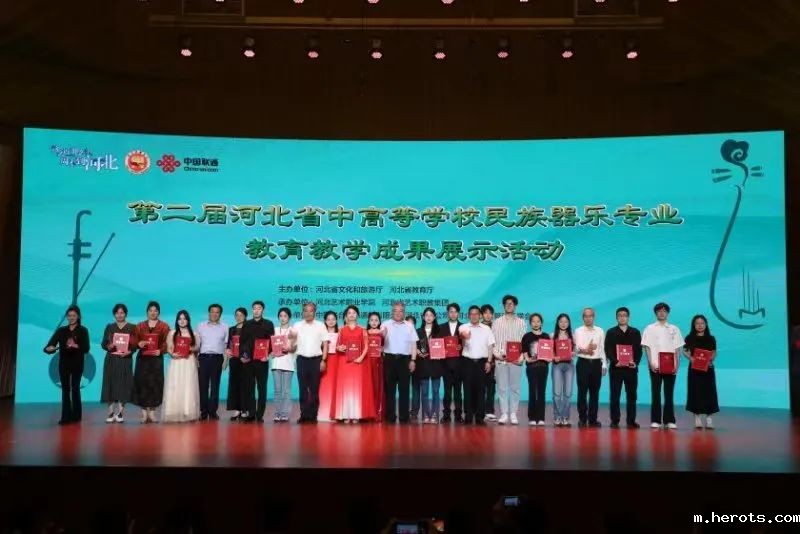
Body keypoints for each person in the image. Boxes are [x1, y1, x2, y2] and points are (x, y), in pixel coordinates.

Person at [43, 305, 90, 425]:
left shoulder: (83, 330)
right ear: (66, 317)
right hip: (64, 363)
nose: (71, 318)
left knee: (75, 388)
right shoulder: (61, 330)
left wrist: (76, 346)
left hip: (77, 363)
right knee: (65, 389)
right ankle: (65, 416)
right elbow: (50, 345)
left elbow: (86, 348)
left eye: (74, 315)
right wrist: (49, 349)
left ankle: (76, 416)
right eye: (69, 316)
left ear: (78, 317)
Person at [641, 302, 684, 429]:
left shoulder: (674, 329)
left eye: (664, 311)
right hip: (655, 365)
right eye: (659, 311)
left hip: (670, 366)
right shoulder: (649, 328)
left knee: (669, 394)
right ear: (656, 313)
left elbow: (678, 349)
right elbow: (647, 347)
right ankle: (656, 420)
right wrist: (650, 363)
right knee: (656, 393)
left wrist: (677, 364)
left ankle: (669, 420)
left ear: (667, 313)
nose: (662, 313)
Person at [332, 305, 375, 422]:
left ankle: (356, 414)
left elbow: (366, 346)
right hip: (344, 362)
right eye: (349, 313)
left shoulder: (362, 330)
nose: (352, 315)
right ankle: (345, 415)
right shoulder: (341, 330)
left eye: (354, 313)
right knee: (345, 387)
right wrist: (340, 348)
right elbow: (337, 345)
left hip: (358, 362)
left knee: (357, 388)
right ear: (346, 316)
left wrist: (361, 358)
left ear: (357, 315)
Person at [289, 302, 328, 423]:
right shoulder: (297, 325)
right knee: (303, 389)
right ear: (302, 312)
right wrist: (292, 339)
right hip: (301, 360)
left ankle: (313, 415)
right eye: (305, 310)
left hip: (316, 360)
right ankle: (304, 414)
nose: (308, 313)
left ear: (314, 312)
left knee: (314, 389)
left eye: (311, 311)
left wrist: (324, 360)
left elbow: (325, 344)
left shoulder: (321, 325)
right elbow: (293, 346)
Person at [604, 307, 642, 429]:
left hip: (631, 369)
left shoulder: (635, 332)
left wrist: (635, 362)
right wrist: (615, 361)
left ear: (628, 317)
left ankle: (631, 420)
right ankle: (615, 420)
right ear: (616, 317)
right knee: (615, 395)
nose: (622, 317)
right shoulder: (611, 332)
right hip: (616, 369)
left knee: (632, 395)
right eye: (620, 315)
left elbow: (639, 350)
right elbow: (607, 349)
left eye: (624, 315)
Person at [132, 301, 170, 424]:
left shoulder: (164, 326)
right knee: (142, 384)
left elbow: (168, 342)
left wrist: (161, 350)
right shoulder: (139, 326)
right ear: (147, 312)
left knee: (155, 384)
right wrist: (138, 343)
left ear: (159, 312)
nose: (153, 313)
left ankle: (152, 413)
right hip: (142, 359)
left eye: (155, 310)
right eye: (150, 310)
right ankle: (144, 413)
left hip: (156, 359)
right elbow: (133, 340)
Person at [381, 301, 419, 424]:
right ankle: (390, 416)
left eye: (400, 311)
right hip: (389, 359)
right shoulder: (385, 324)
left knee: (404, 390)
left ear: (404, 312)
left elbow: (414, 344)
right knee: (389, 390)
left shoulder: (409, 325)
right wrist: (382, 336)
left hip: (404, 360)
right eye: (395, 310)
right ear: (392, 312)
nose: (398, 313)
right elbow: (378, 342)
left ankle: (404, 417)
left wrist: (413, 360)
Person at [99, 303, 137, 423]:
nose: (119, 315)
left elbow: (135, 345)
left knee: (124, 385)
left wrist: (130, 352)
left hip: (125, 359)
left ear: (126, 314)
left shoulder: (132, 327)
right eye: (117, 313)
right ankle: (110, 412)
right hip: (111, 359)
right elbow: (103, 344)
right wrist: (108, 346)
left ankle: (120, 413)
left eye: (122, 313)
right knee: (109, 383)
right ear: (114, 314)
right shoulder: (110, 327)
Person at [492, 295, 526, 425]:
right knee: (501, 388)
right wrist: (496, 355)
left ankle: (513, 413)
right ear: (503, 306)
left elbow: (524, 342)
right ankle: (504, 413)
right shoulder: (496, 322)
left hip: (516, 360)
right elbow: (493, 342)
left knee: (515, 388)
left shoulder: (521, 323)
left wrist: (521, 357)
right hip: (501, 359)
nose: (509, 305)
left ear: (515, 306)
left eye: (511, 303)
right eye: (506, 303)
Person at [239, 300, 275, 423]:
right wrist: (242, 356)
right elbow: (242, 342)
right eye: (254, 308)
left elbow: (271, 342)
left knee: (261, 388)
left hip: (262, 361)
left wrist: (267, 355)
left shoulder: (268, 324)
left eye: (259, 308)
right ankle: (251, 413)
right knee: (249, 387)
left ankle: (260, 415)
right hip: (248, 360)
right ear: (252, 310)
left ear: (263, 310)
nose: (256, 310)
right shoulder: (247, 324)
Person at [162, 310, 201, 423]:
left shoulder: (194, 334)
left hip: (189, 362)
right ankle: (173, 411)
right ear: (177, 320)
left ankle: (188, 411)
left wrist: (190, 349)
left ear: (188, 320)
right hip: (176, 362)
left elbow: (197, 348)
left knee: (188, 385)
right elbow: (169, 348)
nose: (182, 321)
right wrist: (172, 354)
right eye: (180, 319)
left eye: (184, 318)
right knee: (175, 385)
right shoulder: (172, 333)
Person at [458, 306, 495, 425]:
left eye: (476, 314)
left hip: (482, 362)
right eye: (471, 314)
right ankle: (468, 415)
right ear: (468, 315)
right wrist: (464, 338)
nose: (474, 316)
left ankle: (480, 416)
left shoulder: (486, 329)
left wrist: (489, 361)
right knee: (467, 389)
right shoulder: (463, 327)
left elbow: (490, 346)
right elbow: (462, 343)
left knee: (481, 390)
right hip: (467, 361)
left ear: (480, 315)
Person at [683, 315, 719, 429]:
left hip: (708, 369)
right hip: (694, 369)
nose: (700, 325)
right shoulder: (689, 337)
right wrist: (691, 358)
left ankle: (709, 419)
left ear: (706, 324)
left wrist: (711, 359)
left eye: (702, 323)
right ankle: (697, 418)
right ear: (694, 325)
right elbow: (684, 351)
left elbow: (714, 352)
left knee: (709, 393)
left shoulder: (711, 338)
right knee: (695, 392)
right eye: (697, 323)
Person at [574, 307, 607, 428]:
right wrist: (585, 350)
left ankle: (593, 419)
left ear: (594, 317)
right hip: (583, 363)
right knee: (582, 392)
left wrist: (604, 364)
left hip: (596, 364)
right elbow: (576, 348)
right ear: (583, 318)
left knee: (594, 393)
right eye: (586, 316)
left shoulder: (600, 331)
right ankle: (582, 419)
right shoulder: (578, 331)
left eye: (590, 316)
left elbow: (602, 348)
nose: (588, 318)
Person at [196, 303, 228, 421]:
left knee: (215, 386)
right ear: (209, 313)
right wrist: (196, 359)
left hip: (217, 359)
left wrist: (226, 361)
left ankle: (213, 411)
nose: (214, 314)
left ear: (220, 314)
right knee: (203, 386)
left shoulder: (225, 327)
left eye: (217, 312)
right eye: (212, 311)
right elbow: (197, 344)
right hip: (203, 358)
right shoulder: (200, 326)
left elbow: (226, 346)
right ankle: (203, 412)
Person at [437, 303, 464, 424]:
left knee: (458, 392)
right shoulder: (440, 327)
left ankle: (458, 416)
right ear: (447, 313)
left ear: (458, 313)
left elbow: (468, 345)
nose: (453, 314)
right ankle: (446, 415)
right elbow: (437, 344)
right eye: (451, 312)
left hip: (459, 365)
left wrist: (461, 346)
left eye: (455, 312)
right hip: (446, 364)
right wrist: (441, 349)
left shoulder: (464, 327)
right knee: (447, 392)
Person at [521, 313, 549, 427]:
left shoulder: (546, 336)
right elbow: (524, 352)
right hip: (531, 367)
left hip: (543, 367)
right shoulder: (527, 336)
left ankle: (541, 418)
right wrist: (528, 359)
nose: (536, 323)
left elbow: (549, 352)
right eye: (533, 321)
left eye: (538, 321)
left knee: (542, 392)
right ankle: (532, 417)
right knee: (532, 391)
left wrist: (548, 358)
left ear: (541, 323)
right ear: (530, 323)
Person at [417, 307, 442, 424]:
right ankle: (426, 415)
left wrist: (440, 352)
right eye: (426, 315)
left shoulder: (439, 331)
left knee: (436, 391)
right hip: (423, 363)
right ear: (423, 317)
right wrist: (418, 352)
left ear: (434, 317)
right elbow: (414, 346)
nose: (428, 317)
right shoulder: (418, 331)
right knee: (425, 392)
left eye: (431, 315)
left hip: (436, 364)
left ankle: (435, 415)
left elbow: (443, 346)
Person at [271, 307, 296, 423]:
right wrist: (270, 352)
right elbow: (270, 346)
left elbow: (295, 348)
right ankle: (277, 413)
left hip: (288, 364)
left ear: (289, 317)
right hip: (276, 364)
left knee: (286, 391)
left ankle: (285, 414)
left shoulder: (293, 331)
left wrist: (289, 348)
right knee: (277, 390)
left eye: (285, 316)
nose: (283, 318)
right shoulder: (275, 330)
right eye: (280, 316)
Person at [551, 313, 576, 427]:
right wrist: (553, 357)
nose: (563, 324)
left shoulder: (573, 336)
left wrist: (573, 353)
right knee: (557, 393)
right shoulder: (552, 335)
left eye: (566, 321)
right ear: (557, 323)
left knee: (568, 393)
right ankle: (557, 416)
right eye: (561, 321)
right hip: (557, 365)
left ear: (569, 323)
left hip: (569, 365)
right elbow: (549, 351)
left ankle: (565, 417)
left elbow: (576, 350)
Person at [225, 307, 248, 421]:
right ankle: (236, 409)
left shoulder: (249, 329)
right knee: (234, 384)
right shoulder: (231, 329)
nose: (239, 317)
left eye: (241, 315)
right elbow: (228, 344)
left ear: (245, 316)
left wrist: (246, 356)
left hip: (245, 360)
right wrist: (228, 350)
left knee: (245, 384)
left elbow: (251, 344)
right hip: (234, 360)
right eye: (237, 315)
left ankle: (244, 409)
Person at [318, 310, 341, 422]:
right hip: (325, 360)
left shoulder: (340, 333)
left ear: (336, 320)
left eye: (333, 319)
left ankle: (335, 413)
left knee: (335, 386)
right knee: (323, 385)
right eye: (328, 319)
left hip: (337, 361)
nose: (331, 321)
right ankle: (322, 413)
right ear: (325, 321)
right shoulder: (321, 333)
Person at [366, 312, 385, 421]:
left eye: (376, 320)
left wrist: (383, 349)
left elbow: (387, 346)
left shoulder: (383, 333)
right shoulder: (365, 333)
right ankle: (368, 412)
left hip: (378, 362)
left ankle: (378, 411)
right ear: (368, 322)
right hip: (367, 362)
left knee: (378, 385)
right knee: (368, 386)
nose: (374, 322)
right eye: (371, 320)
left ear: (379, 322)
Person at [481, 304, 497, 421]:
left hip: (494, 361)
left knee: (491, 387)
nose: (488, 315)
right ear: (481, 315)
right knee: (480, 387)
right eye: (485, 313)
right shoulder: (478, 327)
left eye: (490, 313)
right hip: (480, 361)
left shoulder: (496, 327)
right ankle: (479, 411)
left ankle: (490, 411)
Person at [406, 315, 422, 421]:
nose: (410, 326)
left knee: (416, 388)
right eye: (408, 323)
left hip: (417, 363)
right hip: (404, 363)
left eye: (412, 324)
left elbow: (424, 347)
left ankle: (414, 411)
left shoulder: (419, 334)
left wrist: (419, 351)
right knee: (404, 388)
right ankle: (404, 409)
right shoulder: (400, 334)